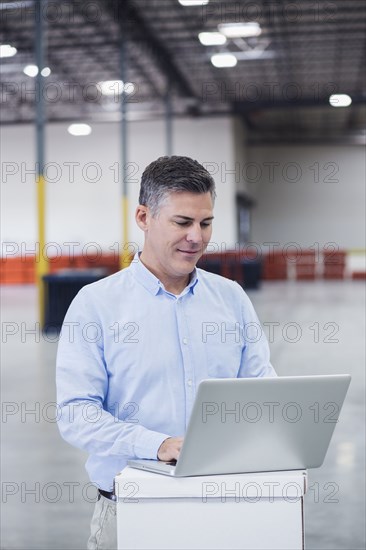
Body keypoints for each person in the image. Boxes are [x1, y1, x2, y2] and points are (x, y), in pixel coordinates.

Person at [56, 155, 276, 549]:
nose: (197, 237)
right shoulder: (96, 305)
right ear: (143, 217)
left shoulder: (231, 299)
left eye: (206, 223)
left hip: (226, 508)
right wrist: (155, 444)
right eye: (182, 222)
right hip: (133, 512)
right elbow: (76, 414)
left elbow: (263, 393)